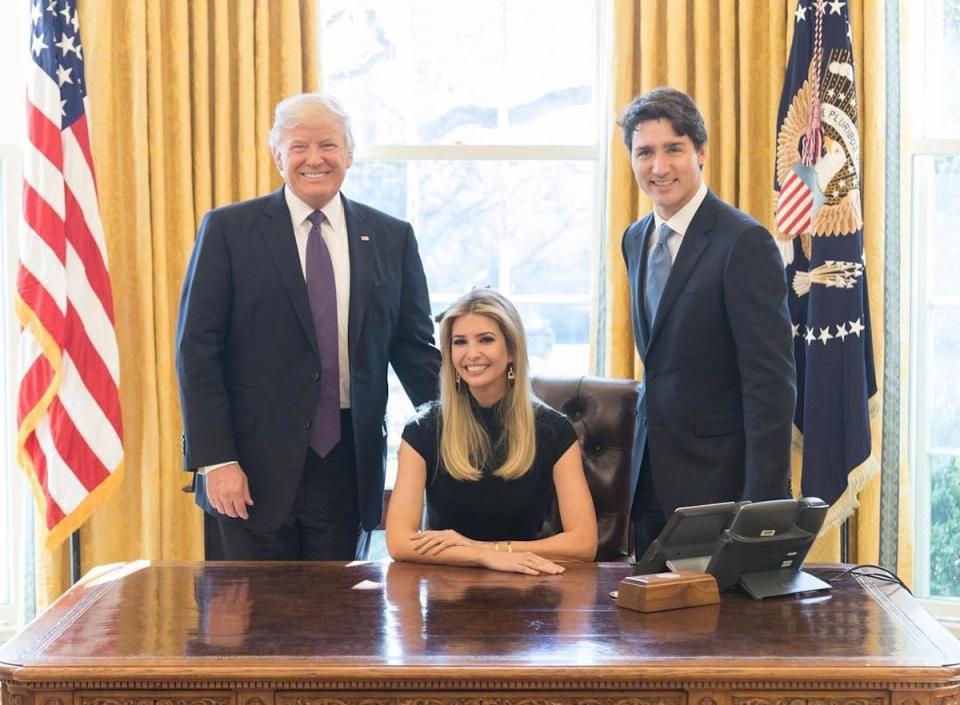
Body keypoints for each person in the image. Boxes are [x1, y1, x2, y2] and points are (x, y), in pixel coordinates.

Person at [176, 93, 441, 561]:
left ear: (350, 153)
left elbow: (414, 351)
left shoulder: (390, 237)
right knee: (245, 629)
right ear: (277, 155)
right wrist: (217, 461)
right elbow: (197, 352)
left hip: (348, 466)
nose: (314, 159)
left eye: (328, 145)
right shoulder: (227, 230)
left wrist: (468, 428)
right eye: (299, 146)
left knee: (342, 626)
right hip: (246, 471)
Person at [618, 87, 797, 557]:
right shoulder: (635, 239)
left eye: (673, 149)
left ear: (701, 152)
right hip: (648, 482)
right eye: (645, 153)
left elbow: (770, 383)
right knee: (649, 626)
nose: (659, 168)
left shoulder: (744, 242)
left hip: (719, 488)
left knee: (715, 628)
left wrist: (762, 506)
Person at [386, 289, 597, 574]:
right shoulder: (423, 429)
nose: (472, 354)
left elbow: (584, 544)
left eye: (486, 339)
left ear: (511, 350)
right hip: (446, 591)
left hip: (528, 587)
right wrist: (480, 557)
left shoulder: (553, 430)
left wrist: (489, 549)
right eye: (459, 342)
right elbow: (399, 543)